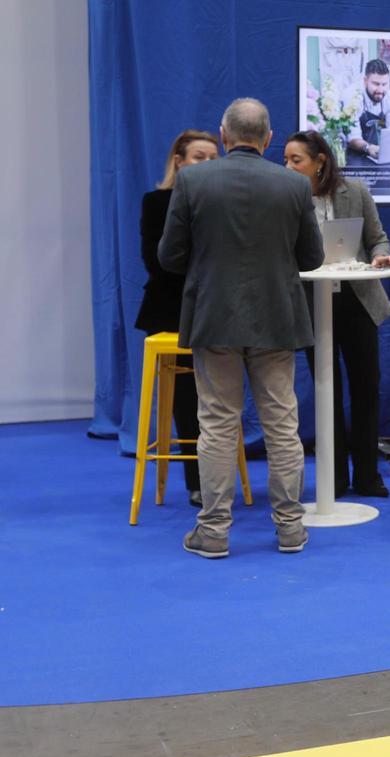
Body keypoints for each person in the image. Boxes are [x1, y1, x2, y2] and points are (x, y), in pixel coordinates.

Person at [159, 98, 325, 559]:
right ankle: (290, 528)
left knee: (215, 424)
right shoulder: (293, 186)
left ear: (224, 135)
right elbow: (312, 258)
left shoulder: (192, 180)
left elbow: (169, 257)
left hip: (214, 317)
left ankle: (213, 531)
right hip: (276, 318)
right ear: (269, 139)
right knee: (282, 425)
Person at [284, 130, 390, 497]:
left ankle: (367, 475)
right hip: (313, 302)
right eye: (285, 160)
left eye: (295, 160)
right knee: (324, 389)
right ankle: (334, 477)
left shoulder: (356, 193)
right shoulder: (285, 199)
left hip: (358, 299)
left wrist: (380, 253)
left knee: (367, 386)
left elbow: (377, 237)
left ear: (320, 162)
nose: (288, 167)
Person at [134, 129, 219, 508]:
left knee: (218, 396)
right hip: (171, 309)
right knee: (186, 397)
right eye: (199, 157)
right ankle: (197, 481)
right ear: (179, 161)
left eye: (214, 158)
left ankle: (220, 476)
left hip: (217, 307)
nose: (207, 164)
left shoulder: (224, 203)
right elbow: (156, 263)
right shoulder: (156, 202)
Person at [348, 59, 390, 159]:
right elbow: (352, 138)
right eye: (376, 84)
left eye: (384, 84)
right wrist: (368, 147)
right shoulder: (352, 97)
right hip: (352, 153)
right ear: (365, 81)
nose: (380, 90)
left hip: (376, 153)